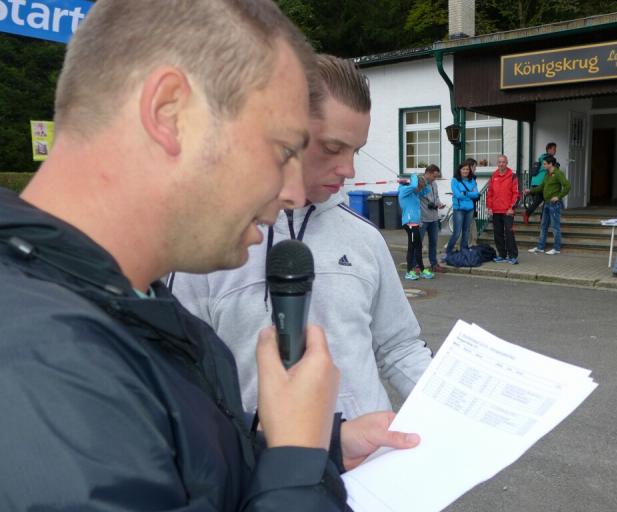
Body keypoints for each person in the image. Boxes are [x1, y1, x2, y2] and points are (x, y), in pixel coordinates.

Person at [0, 1, 418, 512]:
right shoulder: (41, 368)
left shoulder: (126, 307)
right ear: (169, 113)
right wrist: (296, 463)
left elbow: (192, 466)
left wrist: (323, 446)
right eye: (283, 150)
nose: (293, 193)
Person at [173, 55, 433, 425]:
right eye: (332, 148)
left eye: (355, 151)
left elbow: (399, 347)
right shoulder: (205, 248)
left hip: (371, 456)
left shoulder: (365, 239)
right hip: (264, 456)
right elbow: (184, 380)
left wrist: (456, 411)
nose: (349, 169)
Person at [528, 155, 571, 255]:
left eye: (544, 164)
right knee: (543, 225)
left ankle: (556, 248)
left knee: (555, 227)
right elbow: (541, 187)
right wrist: (530, 191)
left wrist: (558, 197)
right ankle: (540, 247)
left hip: (554, 204)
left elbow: (567, 186)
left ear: (550, 164)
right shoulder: (547, 175)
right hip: (546, 203)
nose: (543, 166)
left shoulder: (558, 173)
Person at [400, 168, 435, 280]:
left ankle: (422, 270)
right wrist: (414, 175)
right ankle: (409, 271)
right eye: (419, 187)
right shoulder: (405, 190)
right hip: (409, 224)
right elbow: (414, 185)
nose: (420, 189)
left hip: (415, 224)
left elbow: (426, 190)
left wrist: (425, 182)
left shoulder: (415, 193)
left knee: (418, 247)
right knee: (412, 247)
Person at [486, 154, 520, 264]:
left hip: (508, 211)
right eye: (499, 162)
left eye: (503, 162)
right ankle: (502, 255)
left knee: (509, 233)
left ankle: (513, 256)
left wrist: (511, 208)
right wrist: (489, 207)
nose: (501, 164)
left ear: (507, 163)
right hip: (496, 211)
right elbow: (490, 193)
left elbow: (516, 194)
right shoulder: (493, 176)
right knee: (498, 234)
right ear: (497, 163)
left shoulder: (512, 176)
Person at [445, 161, 480, 259]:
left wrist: (465, 193)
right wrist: (469, 194)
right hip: (459, 209)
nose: (465, 171)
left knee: (466, 231)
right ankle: (448, 251)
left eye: (467, 169)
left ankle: (464, 250)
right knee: (457, 233)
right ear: (460, 170)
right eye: (463, 169)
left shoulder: (472, 180)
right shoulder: (455, 180)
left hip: (470, 209)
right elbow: (457, 195)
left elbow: (476, 194)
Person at [523, 142, 557, 225]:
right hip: (540, 183)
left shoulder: (542, 157)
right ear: (549, 149)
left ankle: (535, 217)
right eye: (554, 149)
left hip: (535, 182)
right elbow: (550, 169)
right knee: (543, 200)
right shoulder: (548, 159)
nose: (555, 151)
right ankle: (535, 217)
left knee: (541, 200)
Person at [420, 166, 445, 273]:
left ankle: (434, 264)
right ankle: (416, 265)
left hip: (434, 218)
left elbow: (436, 197)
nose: (435, 179)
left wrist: (439, 203)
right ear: (428, 173)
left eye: (436, 177)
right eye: (434, 176)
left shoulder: (434, 184)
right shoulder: (420, 183)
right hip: (422, 218)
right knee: (418, 243)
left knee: (433, 243)